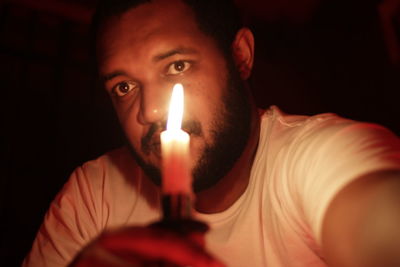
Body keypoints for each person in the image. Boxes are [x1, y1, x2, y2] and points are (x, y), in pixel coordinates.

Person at [23, 0, 400, 266]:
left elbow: (377, 220)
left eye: (177, 65)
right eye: (124, 87)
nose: (150, 111)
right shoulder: (95, 195)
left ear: (240, 56)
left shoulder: (317, 157)